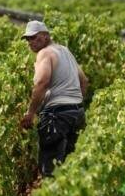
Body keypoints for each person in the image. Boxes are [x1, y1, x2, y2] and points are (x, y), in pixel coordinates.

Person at [19, 20, 88, 177]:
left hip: (57, 116)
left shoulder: (45, 53)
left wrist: (30, 113)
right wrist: (74, 105)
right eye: (27, 39)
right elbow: (84, 81)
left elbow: (42, 83)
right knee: (71, 167)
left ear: (45, 36)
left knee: (49, 167)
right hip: (77, 113)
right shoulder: (65, 51)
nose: (30, 42)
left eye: (34, 37)